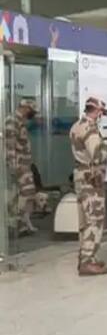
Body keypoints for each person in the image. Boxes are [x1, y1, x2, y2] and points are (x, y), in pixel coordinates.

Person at [69, 97, 107, 276]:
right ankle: (86, 261)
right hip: (91, 181)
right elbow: (97, 155)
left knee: (85, 220)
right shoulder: (89, 129)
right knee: (95, 220)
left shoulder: (77, 126)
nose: (101, 117)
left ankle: (86, 257)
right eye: (101, 113)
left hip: (81, 177)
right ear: (97, 111)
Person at [4, 99, 39, 235]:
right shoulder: (12, 121)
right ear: (25, 108)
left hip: (23, 164)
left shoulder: (20, 122)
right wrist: (14, 166)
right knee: (25, 193)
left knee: (25, 194)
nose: (32, 114)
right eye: (31, 111)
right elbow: (9, 145)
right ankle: (16, 223)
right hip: (19, 166)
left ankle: (22, 223)